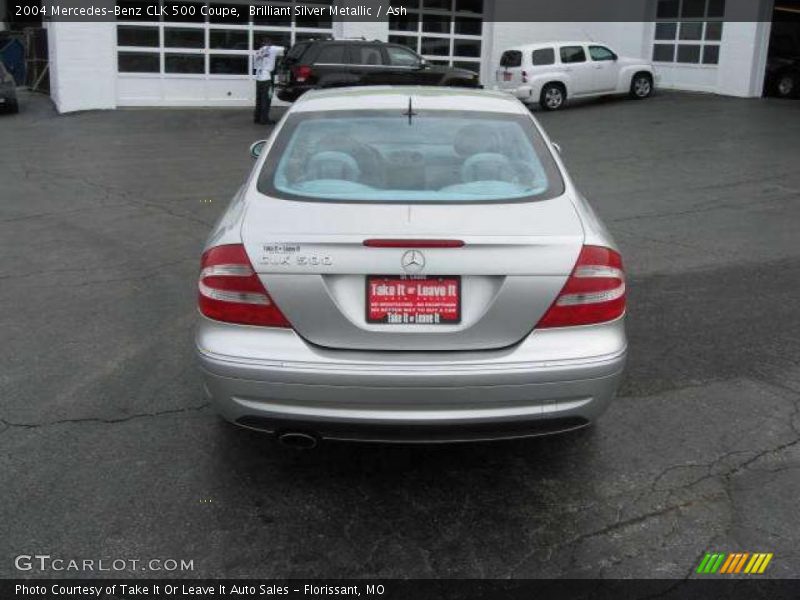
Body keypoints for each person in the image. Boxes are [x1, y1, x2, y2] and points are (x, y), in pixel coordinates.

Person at [253, 39, 284, 125]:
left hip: (259, 77)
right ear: (270, 43)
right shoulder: (273, 48)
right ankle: (264, 119)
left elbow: (255, 65)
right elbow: (284, 50)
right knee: (266, 99)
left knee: (259, 98)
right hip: (267, 78)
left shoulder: (259, 51)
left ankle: (257, 118)